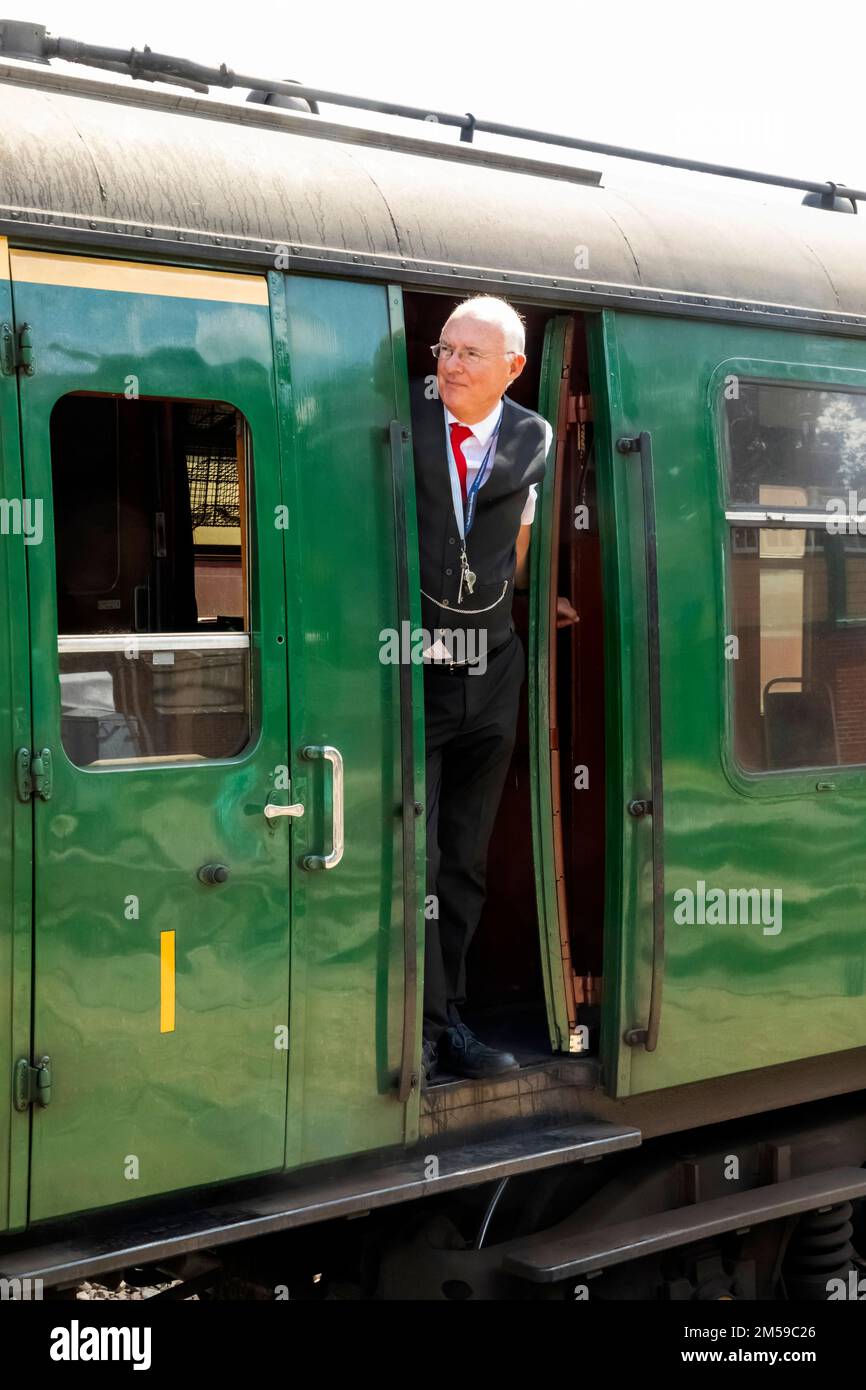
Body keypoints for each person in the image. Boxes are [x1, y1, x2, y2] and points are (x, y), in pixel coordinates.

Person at [411, 295, 577, 1084]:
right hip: (410, 665)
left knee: (464, 864)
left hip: (495, 663)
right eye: (445, 349)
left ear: (513, 367)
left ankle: (452, 1027)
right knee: (412, 854)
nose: (450, 364)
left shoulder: (530, 436)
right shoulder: (404, 421)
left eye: (471, 354)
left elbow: (517, 532)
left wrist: (534, 596)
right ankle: (416, 1027)